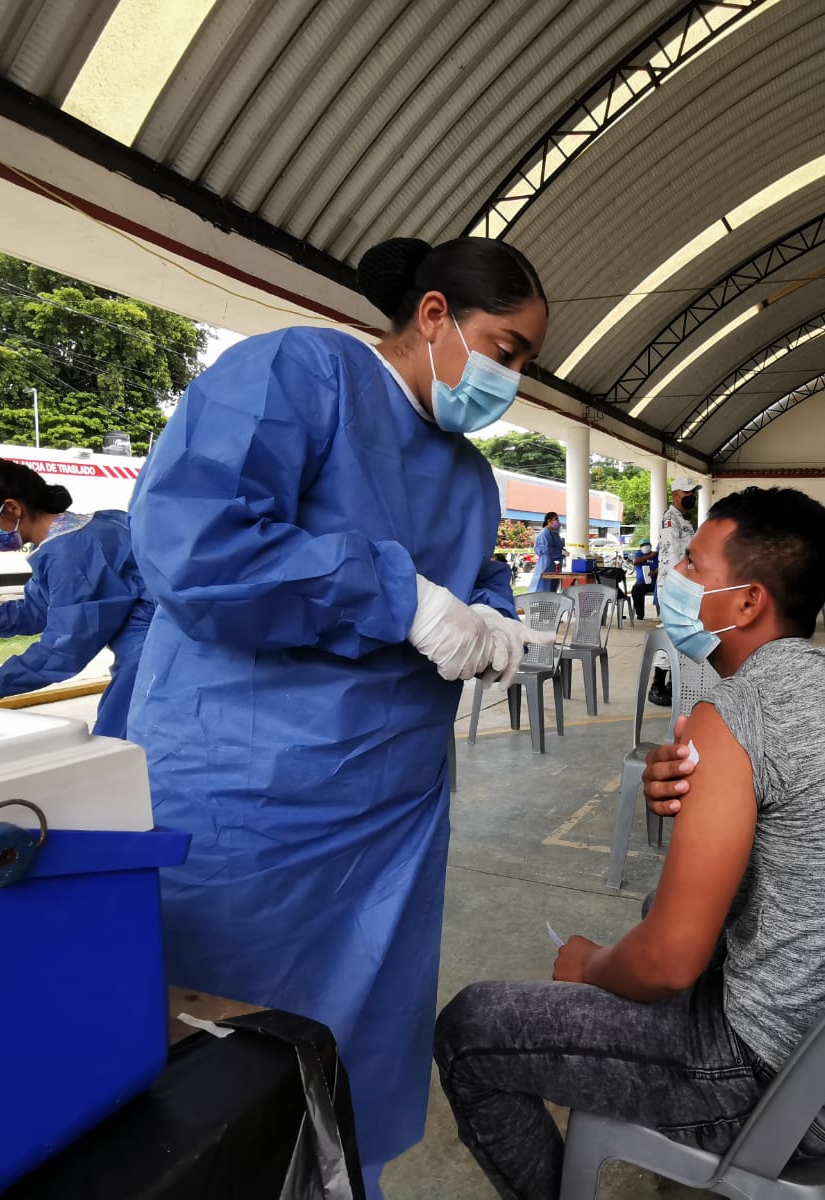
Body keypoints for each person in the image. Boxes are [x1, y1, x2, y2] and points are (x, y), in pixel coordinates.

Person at [124, 235, 551, 1194]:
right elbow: (195, 545)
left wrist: (494, 621)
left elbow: (481, 578)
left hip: (393, 803)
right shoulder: (298, 374)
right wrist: (397, 597)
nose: (509, 380)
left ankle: (334, 1171)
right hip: (254, 789)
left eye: (524, 362)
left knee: (363, 1021)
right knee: (226, 1026)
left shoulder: (469, 476)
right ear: (433, 314)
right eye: (505, 348)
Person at [434, 488, 825, 1199]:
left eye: (692, 566)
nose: (674, 577)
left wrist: (590, 966)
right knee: (649, 912)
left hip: (777, 1080)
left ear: (747, 601)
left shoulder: (739, 712)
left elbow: (667, 963)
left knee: (471, 1031)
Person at [0, 458, 155, 740]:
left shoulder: (70, 551)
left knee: (124, 748)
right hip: (154, 653)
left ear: (13, 507)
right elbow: (34, 612)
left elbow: (67, 646)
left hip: (151, 659)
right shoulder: (77, 532)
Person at [647, 475, 701, 706]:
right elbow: (674, 557)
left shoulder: (683, 519)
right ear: (675, 495)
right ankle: (657, 684)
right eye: (688, 493)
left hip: (686, 583)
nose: (692, 497)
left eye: (693, 493)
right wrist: (680, 585)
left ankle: (675, 682)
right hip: (675, 585)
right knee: (670, 632)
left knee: (685, 633)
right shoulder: (671, 520)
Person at [528, 511, 564, 592]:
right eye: (556, 519)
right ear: (549, 521)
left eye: (558, 519)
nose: (558, 522)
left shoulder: (554, 533)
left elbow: (557, 546)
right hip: (546, 564)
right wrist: (560, 552)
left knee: (552, 589)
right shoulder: (545, 533)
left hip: (555, 565)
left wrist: (562, 551)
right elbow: (547, 550)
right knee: (543, 588)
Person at [629, 538, 658, 620]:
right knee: (636, 590)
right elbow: (636, 561)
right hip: (641, 583)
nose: (645, 547)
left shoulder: (656, 555)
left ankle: (660, 615)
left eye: (647, 545)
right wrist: (649, 556)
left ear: (651, 546)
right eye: (643, 545)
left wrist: (654, 572)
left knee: (662, 590)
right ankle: (640, 614)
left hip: (654, 582)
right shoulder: (638, 554)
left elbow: (661, 566)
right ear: (640, 547)